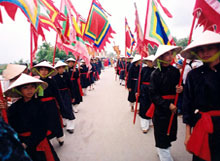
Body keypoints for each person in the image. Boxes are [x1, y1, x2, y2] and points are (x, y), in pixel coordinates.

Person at [181, 31, 220, 161]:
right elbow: (187, 105)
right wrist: (188, 134)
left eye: (210, 48)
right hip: (202, 126)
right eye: (201, 50)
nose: (205, 52)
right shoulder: (193, 75)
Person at [4, 73, 60, 161]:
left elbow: (43, 128)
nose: (29, 90)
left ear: (36, 88)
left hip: (38, 142)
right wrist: (2, 110)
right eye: (25, 87)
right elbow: (9, 125)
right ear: (19, 90)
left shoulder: (40, 105)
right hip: (20, 142)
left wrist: (27, 143)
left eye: (32, 87)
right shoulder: (14, 107)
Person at [148, 45, 183, 161]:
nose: (170, 56)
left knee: (170, 133)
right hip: (160, 109)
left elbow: (180, 87)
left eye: (171, 53)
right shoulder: (155, 74)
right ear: (161, 57)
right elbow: (153, 95)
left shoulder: (176, 71)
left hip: (173, 107)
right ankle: (165, 156)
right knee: (161, 132)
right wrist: (168, 104)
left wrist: (180, 89)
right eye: (167, 54)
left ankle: (162, 151)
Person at [32, 61, 64, 146]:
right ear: (38, 71)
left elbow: (57, 94)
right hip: (41, 106)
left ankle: (59, 137)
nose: (44, 71)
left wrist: (62, 106)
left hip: (52, 105)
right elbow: (36, 96)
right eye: (41, 69)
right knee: (45, 123)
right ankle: (48, 139)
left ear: (49, 71)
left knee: (56, 121)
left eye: (46, 70)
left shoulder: (52, 81)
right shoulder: (36, 83)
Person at [53, 61, 76, 134]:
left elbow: (71, 86)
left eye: (62, 68)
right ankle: (65, 122)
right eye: (59, 68)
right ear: (56, 69)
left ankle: (70, 127)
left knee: (68, 109)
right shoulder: (53, 78)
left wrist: (73, 96)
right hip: (58, 94)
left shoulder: (66, 75)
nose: (61, 69)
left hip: (66, 94)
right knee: (61, 109)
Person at [136, 55, 155, 133]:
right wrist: (137, 91)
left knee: (152, 106)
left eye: (152, 61)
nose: (150, 63)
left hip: (153, 90)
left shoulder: (156, 70)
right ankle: (144, 126)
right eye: (149, 61)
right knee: (144, 107)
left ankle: (151, 122)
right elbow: (138, 81)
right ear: (146, 62)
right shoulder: (142, 70)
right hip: (144, 90)